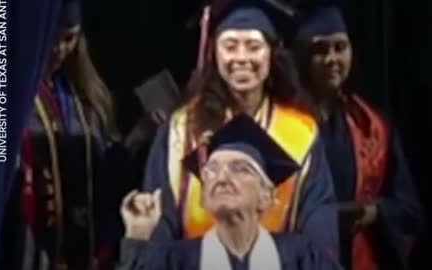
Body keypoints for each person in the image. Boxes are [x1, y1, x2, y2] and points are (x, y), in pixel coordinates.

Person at [139, 0, 339, 256]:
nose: (242, 58)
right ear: (214, 54)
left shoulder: (300, 131)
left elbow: (318, 223)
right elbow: (161, 222)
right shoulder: (182, 130)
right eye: (230, 46)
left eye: (254, 47)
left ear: (271, 53)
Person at [117, 114, 343, 270]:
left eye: (239, 169)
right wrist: (137, 236)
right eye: (211, 171)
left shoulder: (303, 258)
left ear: (266, 197)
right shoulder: (176, 261)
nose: (222, 177)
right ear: (204, 198)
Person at [0, 1, 130, 269]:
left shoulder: (87, 98)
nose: (59, 50)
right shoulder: (8, 96)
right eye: (51, 38)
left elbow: (104, 178)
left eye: (69, 38)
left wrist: (133, 143)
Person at [292, 4, 422, 270]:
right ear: (303, 56)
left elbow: (407, 207)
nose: (332, 59)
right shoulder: (282, 124)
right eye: (320, 50)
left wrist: (375, 213)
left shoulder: (371, 125)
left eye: (340, 47)